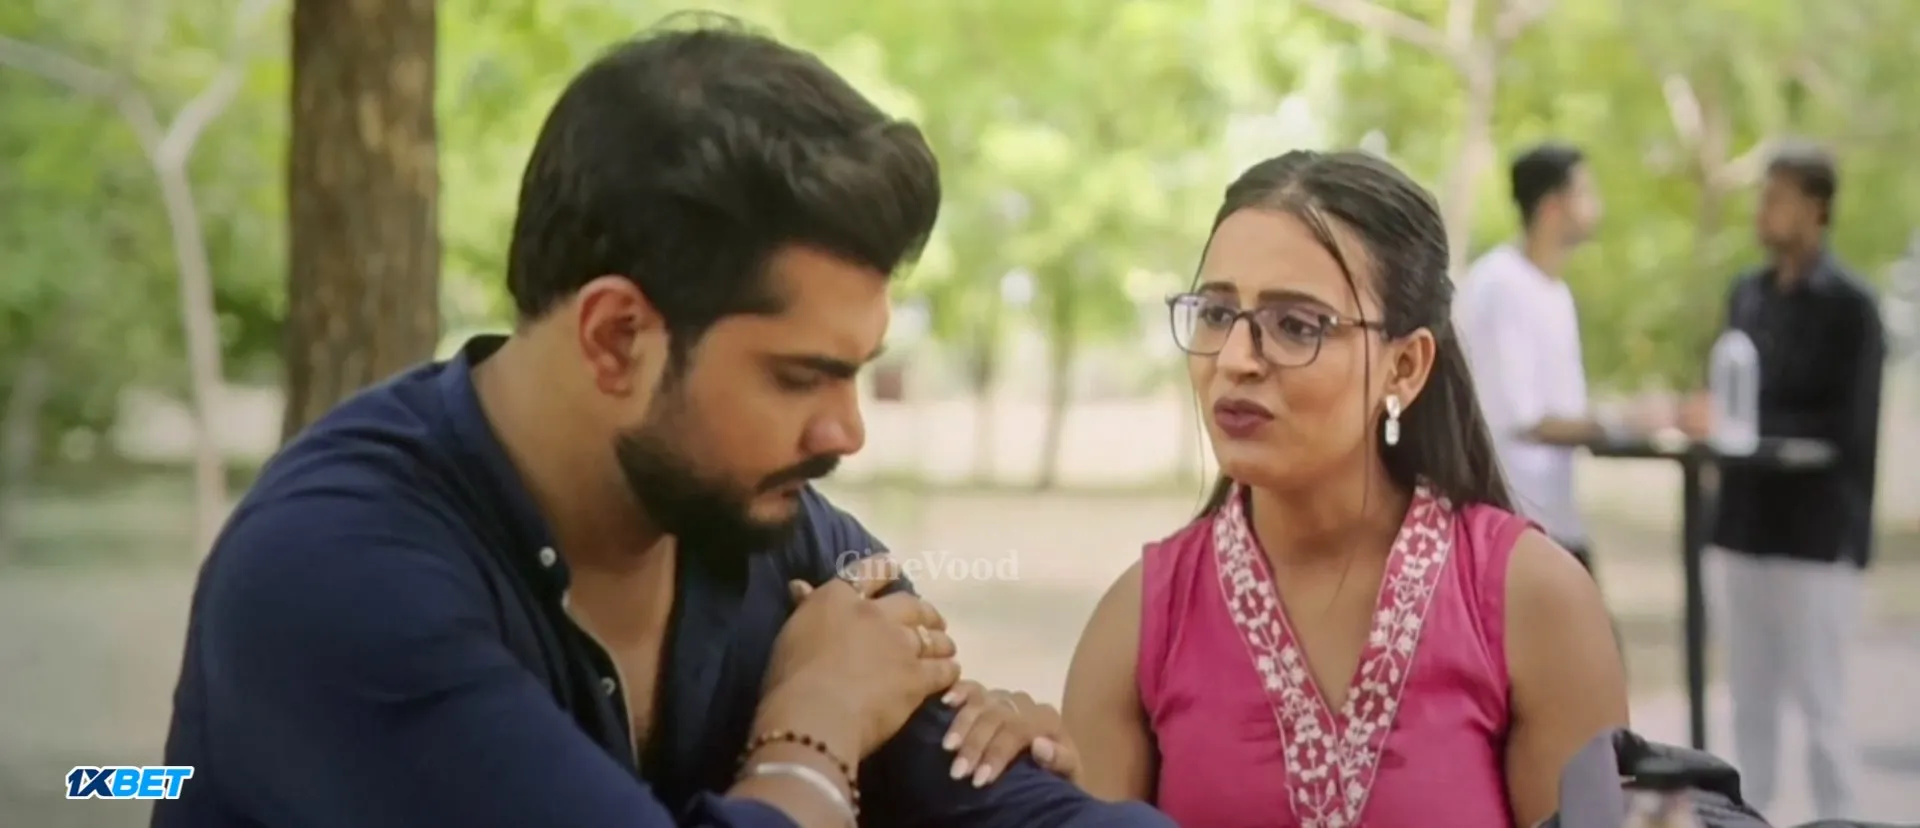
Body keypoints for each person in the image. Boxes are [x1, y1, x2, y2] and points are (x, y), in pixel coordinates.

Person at [152, 21, 1169, 828]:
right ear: (616, 337)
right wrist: (810, 736)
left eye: (857, 372)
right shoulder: (337, 574)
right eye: (800, 377)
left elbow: (1011, 811)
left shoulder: (772, 531)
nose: (847, 432)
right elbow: (831, 718)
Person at [939, 150, 1630, 827]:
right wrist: (1035, 791)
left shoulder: (1532, 603)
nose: (1235, 360)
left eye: (1296, 326)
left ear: (1405, 367)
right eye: (1216, 314)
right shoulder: (1139, 625)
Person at [1703, 143, 1883, 820]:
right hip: (1743, 528)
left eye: (1778, 198)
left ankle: (1842, 816)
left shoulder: (1851, 307)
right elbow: (1731, 407)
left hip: (1814, 538)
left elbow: (1848, 429)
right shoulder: (1746, 295)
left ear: (1816, 208)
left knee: (1822, 705)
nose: (1764, 211)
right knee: (1747, 705)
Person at [1454, 143, 1607, 572]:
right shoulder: (1500, 284)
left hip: (1556, 518)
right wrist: (1618, 424)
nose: (1596, 205)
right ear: (1553, 206)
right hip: (1510, 521)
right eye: (1585, 192)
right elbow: (1518, 418)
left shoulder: (1555, 291)